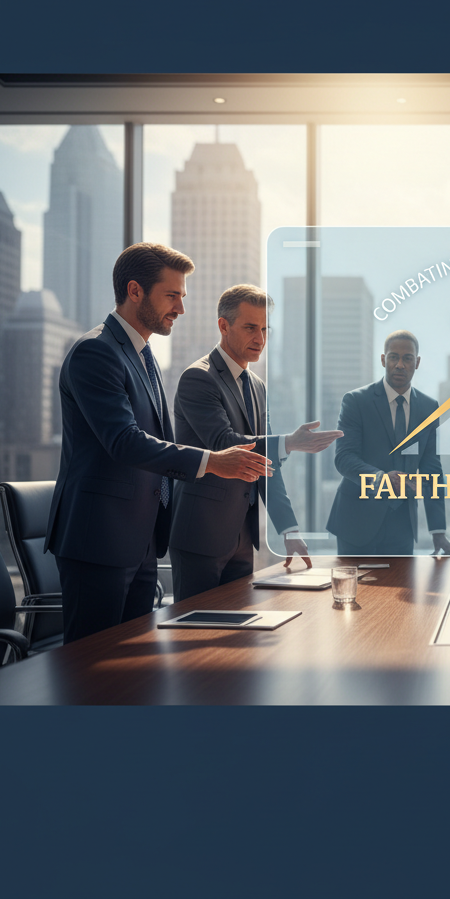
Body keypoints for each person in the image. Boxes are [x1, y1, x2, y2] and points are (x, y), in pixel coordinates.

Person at [46, 244, 273, 644]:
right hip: (98, 538)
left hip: (141, 539)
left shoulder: (144, 354)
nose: (181, 309)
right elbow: (124, 442)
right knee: (89, 672)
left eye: (182, 297)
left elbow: (156, 440)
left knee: (131, 677)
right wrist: (211, 461)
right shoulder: (95, 352)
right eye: (172, 296)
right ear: (135, 291)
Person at [168, 285, 343, 602]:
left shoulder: (258, 387)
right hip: (201, 535)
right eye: (250, 328)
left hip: (242, 539)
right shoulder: (199, 378)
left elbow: (267, 464)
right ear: (224, 326)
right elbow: (224, 444)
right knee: (195, 635)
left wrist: (289, 530)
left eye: (265, 329)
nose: (260, 338)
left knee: (239, 640)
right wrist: (288, 442)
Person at [326, 330, 450, 557]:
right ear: (383, 359)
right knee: (356, 592)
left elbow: (432, 469)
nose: (400, 365)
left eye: (407, 358)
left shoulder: (428, 407)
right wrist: (381, 478)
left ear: (417, 363)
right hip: (356, 522)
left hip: (402, 526)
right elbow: (344, 458)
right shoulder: (356, 401)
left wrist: (438, 529)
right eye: (393, 357)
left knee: (403, 591)